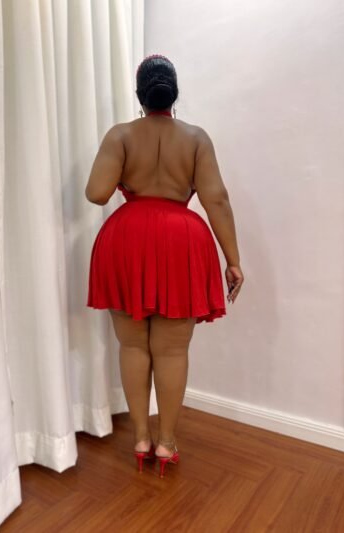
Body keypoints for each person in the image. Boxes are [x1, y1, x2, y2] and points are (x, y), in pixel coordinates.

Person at [85, 54, 244, 478]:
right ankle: (167, 443)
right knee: (172, 350)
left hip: (126, 240)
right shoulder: (196, 138)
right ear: (174, 94)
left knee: (133, 346)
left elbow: (97, 193)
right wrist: (233, 260)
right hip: (181, 241)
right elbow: (217, 200)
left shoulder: (121, 135)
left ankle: (140, 438)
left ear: (140, 95)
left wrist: (125, 170)